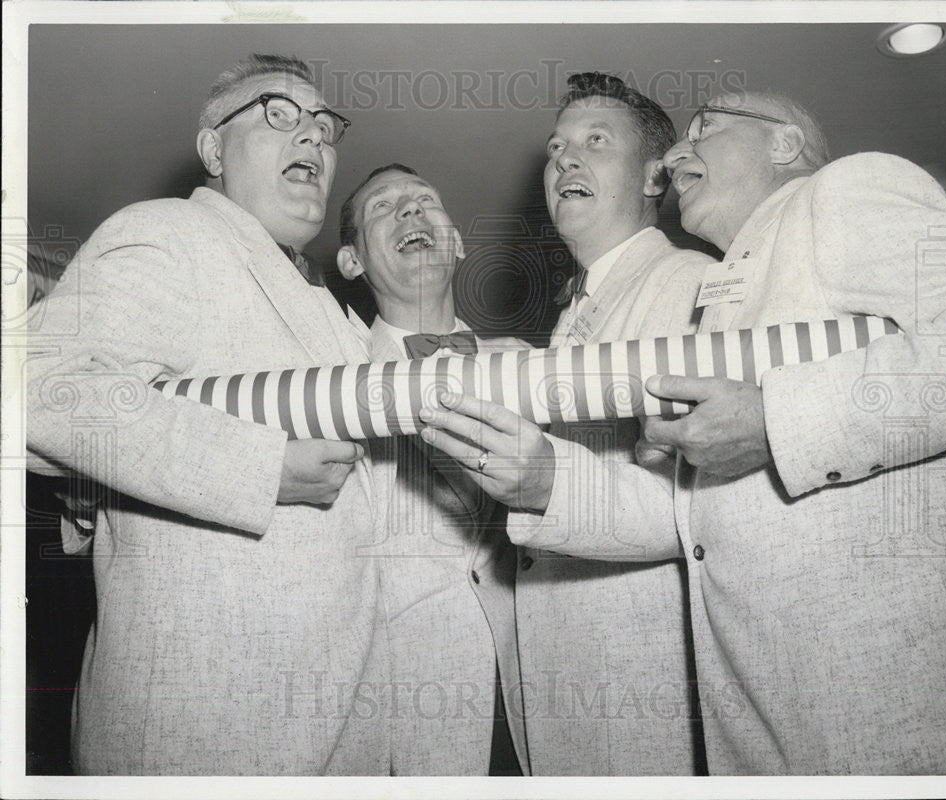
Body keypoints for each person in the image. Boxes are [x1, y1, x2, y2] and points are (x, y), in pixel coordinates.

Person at [420, 89, 946, 775]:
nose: (682, 150)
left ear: (785, 145)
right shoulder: (726, 300)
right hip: (753, 708)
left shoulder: (846, 188)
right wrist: (538, 456)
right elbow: (686, 510)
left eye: (705, 127)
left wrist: (774, 420)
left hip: (880, 696)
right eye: (557, 148)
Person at [26, 55, 388, 775]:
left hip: (340, 734)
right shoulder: (165, 232)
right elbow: (41, 388)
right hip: (200, 729)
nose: (312, 138)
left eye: (323, 125)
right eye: (279, 114)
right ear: (215, 149)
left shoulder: (333, 312)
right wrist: (260, 468)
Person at [422, 73, 715, 775]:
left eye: (595, 142)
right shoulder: (568, 316)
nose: (565, 160)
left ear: (654, 177)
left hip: (642, 686)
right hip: (558, 686)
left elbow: (702, 514)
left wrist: (544, 482)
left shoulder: (690, 284)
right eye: (557, 147)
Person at [336, 164, 529, 775]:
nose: (411, 212)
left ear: (459, 240)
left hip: (537, 696)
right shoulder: (323, 376)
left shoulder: (536, 366)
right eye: (384, 207)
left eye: (426, 201)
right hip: (398, 710)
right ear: (351, 262)